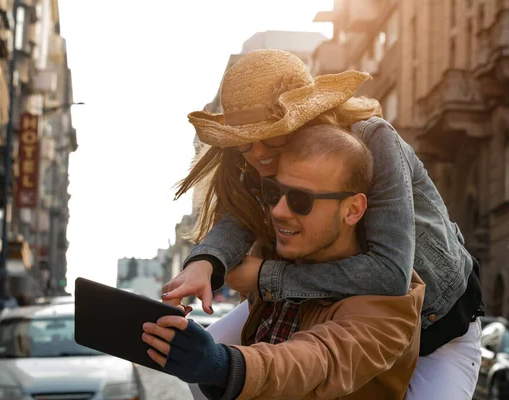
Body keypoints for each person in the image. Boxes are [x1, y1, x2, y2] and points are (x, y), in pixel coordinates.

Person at [162, 49, 485, 399]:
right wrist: (206, 262)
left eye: (270, 135)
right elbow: (241, 213)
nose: (257, 153)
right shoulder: (270, 163)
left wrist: (265, 277)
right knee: (204, 374)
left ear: (304, 117)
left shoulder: (375, 141)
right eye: (244, 141)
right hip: (335, 308)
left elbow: (391, 275)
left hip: (437, 329)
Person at [143, 125, 425, 399]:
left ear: (352, 210)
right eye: (273, 192)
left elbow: (314, 361)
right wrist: (204, 262)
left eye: (302, 200)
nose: (278, 211)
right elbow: (238, 221)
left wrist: (224, 365)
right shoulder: (279, 253)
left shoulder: (388, 306)